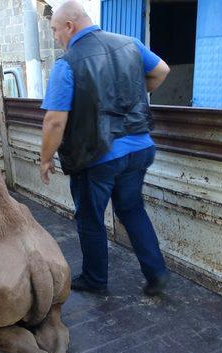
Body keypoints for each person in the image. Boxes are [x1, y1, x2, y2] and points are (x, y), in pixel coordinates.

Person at [39, 0, 171, 296]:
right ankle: (157, 273)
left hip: (97, 156)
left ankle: (96, 280)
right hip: (139, 147)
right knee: (132, 209)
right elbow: (161, 70)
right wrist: (136, 90)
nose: (56, 37)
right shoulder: (129, 44)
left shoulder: (68, 63)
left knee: (90, 218)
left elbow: (54, 121)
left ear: (70, 27)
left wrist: (45, 158)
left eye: (55, 30)